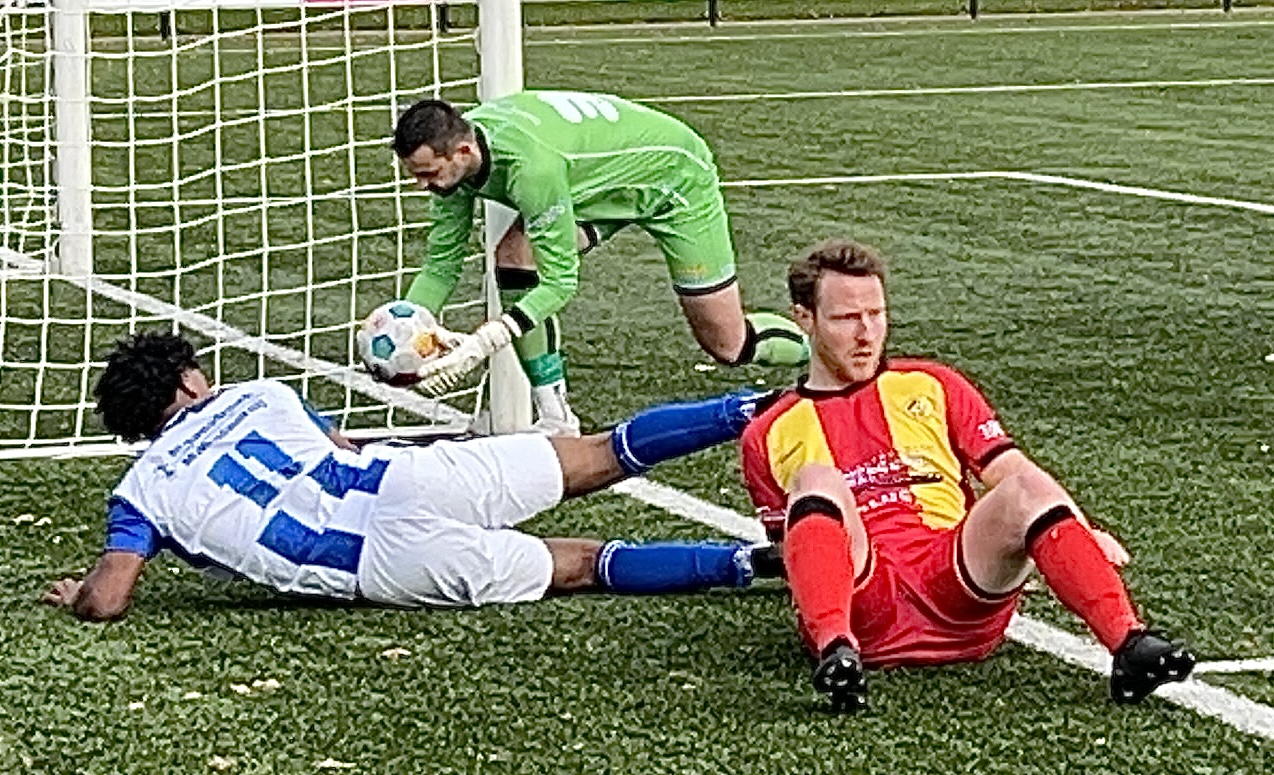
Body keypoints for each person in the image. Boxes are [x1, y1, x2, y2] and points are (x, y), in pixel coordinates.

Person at [739, 239, 1195, 712]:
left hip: (955, 588)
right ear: (804, 319)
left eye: (876, 314)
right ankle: (836, 654)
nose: (866, 334)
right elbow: (797, 556)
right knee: (817, 479)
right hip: (866, 604)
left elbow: (1013, 472)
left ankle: (1129, 643)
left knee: (1023, 486)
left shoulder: (933, 384)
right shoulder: (767, 433)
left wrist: (1080, 532)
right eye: (846, 319)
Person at [43, 332, 779, 621]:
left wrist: (81, 594)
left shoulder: (140, 491)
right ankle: (759, 405)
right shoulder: (259, 394)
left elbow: (110, 598)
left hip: (378, 562)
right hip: (405, 479)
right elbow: (337, 443)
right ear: (189, 380)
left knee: (579, 565)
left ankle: (753, 564)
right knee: (596, 454)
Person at [392, 90, 808, 435]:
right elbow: (441, 264)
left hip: (674, 179)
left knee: (729, 344)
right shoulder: (457, 165)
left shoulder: (532, 169)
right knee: (517, 257)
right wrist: (405, 327)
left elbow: (560, 283)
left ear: (463, 151)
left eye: (428, 173)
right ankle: (556, 417)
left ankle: (821, 349)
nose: (422, 185)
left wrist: (485, 341)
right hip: (601, 188)